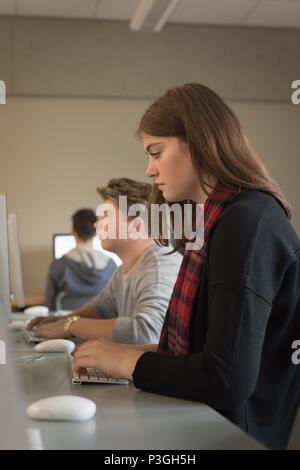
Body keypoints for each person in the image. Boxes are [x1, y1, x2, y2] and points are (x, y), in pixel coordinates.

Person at [71, 83, 300, 450]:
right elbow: (202, 352)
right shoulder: (217, 220)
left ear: (196, 142)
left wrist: (124, 361)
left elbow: (226, 379)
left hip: (235, 435)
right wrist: (125, 355)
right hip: (216, 422)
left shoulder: (245, 222)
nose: (149, 169)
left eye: (155, 152)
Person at [27, 178, 182, 344]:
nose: (96, 224)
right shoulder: (123, 270)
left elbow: (146, 332)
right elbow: (100, 308)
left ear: (136, 226)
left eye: (106, 215)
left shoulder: (159, 266)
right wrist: (61, 321)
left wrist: (71, 326)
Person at [44, 208, 116, 310]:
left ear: (72, 231)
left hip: (67, 323)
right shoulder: (111, 266)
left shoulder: (58, 265)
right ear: (96, 232)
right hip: (100, 324)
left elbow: (49, 306)